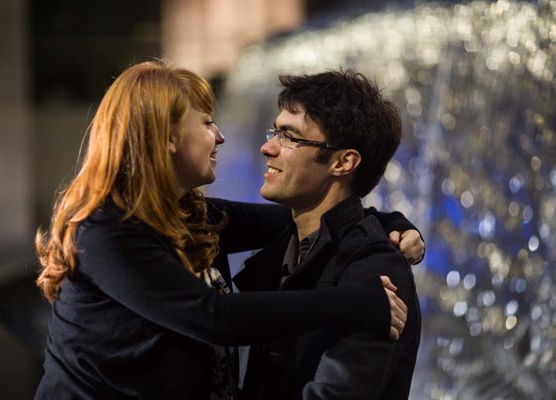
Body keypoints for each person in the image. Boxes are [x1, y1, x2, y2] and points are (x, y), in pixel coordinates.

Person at [34, 61, 418, 399]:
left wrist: (388, 223)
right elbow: (214, 316)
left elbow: (315, 217)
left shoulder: (191, 214)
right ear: (164, 137)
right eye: (205, 122)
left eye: (288, 136)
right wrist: (354, 302)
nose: (220, 136)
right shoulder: (105, 230)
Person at [234, 70, 422, 399]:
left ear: (343, 162)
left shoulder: (377, 272)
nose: (267, 148)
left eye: (289, 137)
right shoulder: (284, 246)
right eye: (274, 132)